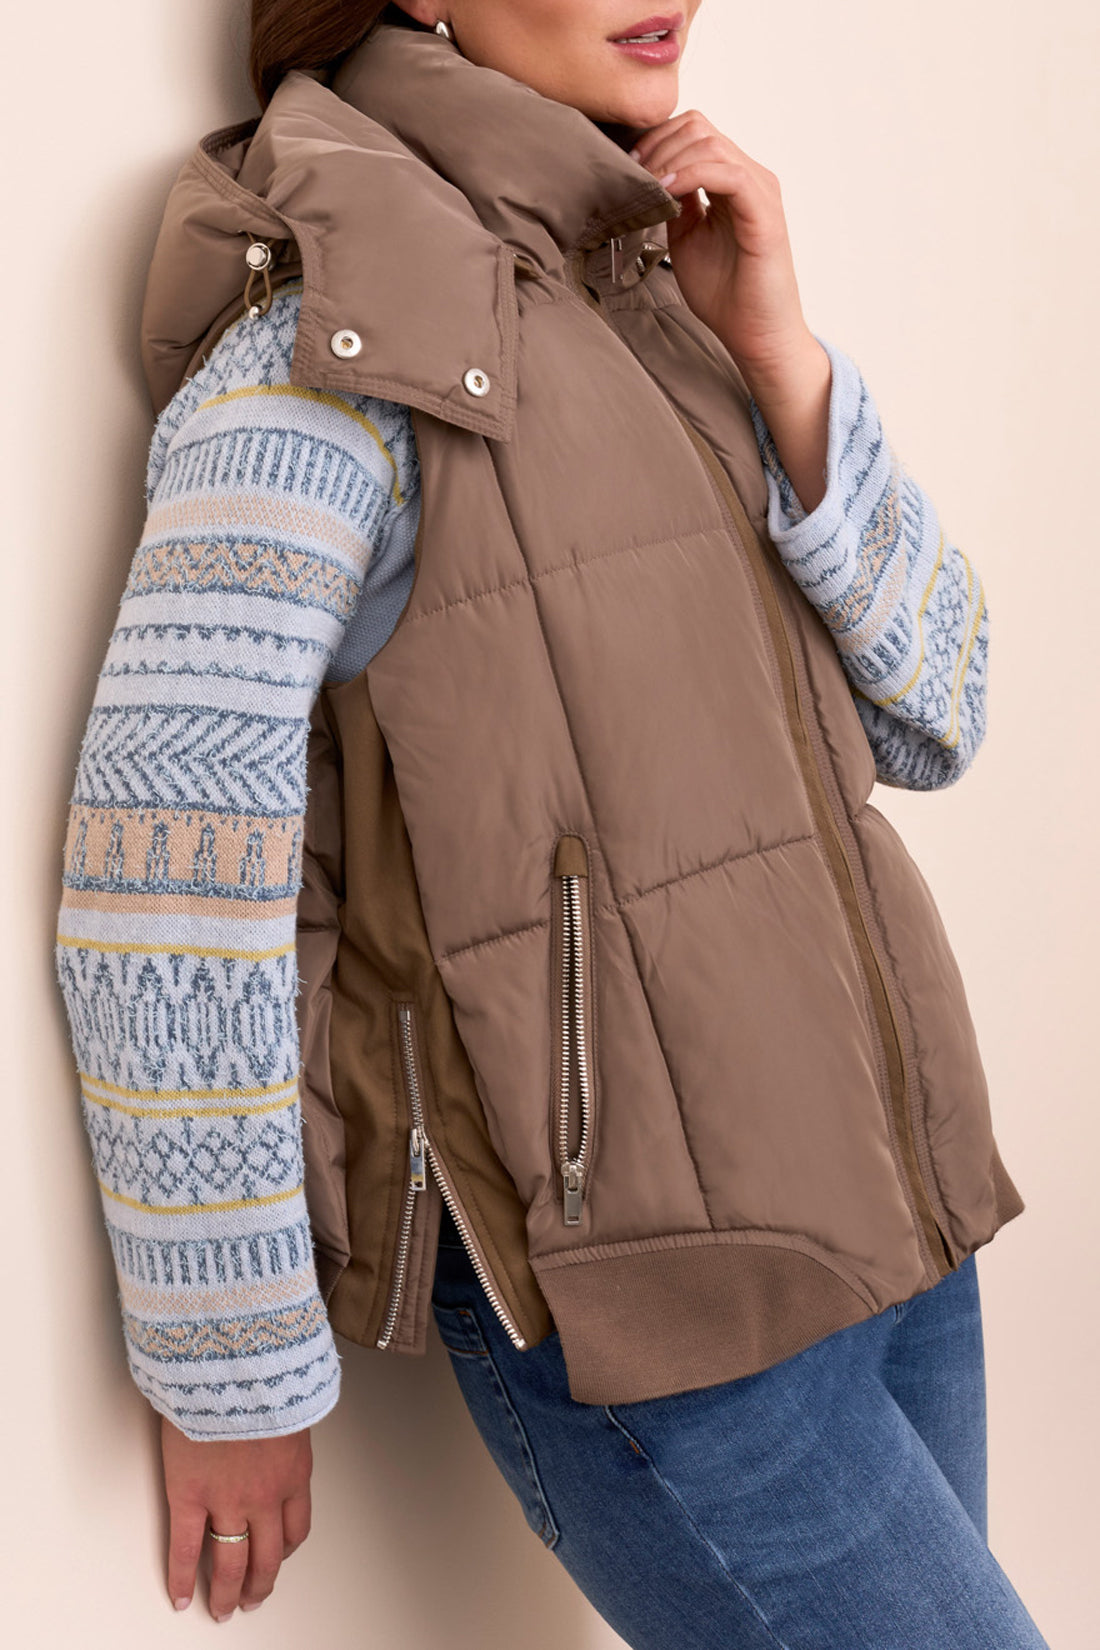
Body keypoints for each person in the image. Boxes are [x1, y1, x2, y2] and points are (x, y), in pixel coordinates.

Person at [53, 3, 1050, 1644]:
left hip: (901, 1221)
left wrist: (787, 365)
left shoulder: (655, 279)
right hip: (661, 1319)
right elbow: (164, 857)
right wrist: (228, 1362)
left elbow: (936, 712)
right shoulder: (337, 329)